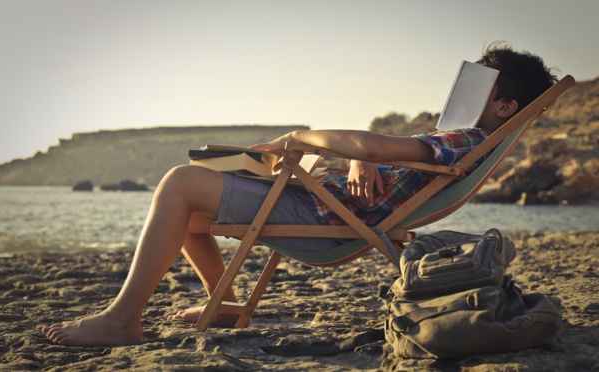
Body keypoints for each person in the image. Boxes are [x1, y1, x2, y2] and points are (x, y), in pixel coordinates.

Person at [42, 42, 557, 347]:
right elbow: (374, 151)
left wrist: (298, 138)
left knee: (179, 184)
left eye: (479, 87)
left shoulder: (461, 139)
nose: (461, 95)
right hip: (324, 203)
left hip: (325, 219)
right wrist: (361, 157)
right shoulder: (462, 140)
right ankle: (222, 307)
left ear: (506, 106)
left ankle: (122, 319)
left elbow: (371, 142)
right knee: (192, 216)